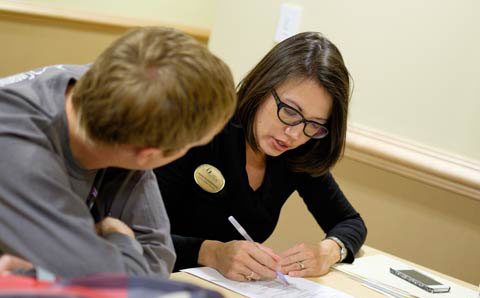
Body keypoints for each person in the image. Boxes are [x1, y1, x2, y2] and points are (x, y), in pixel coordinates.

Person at [0, 27, 236, 278]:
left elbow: (157, 257)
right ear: (149, 155)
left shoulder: (120, 104)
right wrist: (119, 236)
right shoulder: (22, 157)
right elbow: (128, 284)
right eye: (192, 146)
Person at [154, 31, 367, 282]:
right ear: (263, 87)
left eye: (314, 124)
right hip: (154, 281)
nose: (294, 134)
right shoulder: (201, 129)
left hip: (228, 295)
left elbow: (350, 222)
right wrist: (210, 252)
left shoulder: (298, 154)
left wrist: (328, 251)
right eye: (289, 111)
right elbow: (132, 234)